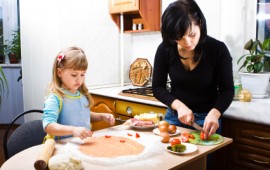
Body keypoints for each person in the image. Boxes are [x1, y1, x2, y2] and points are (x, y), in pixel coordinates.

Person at [152, 0, 234, 139]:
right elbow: (157, 87)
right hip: (175, 117)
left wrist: (215, 113)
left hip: (207, 120)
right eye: (179, 38)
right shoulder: (165, 49)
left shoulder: (217, 49)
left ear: (200, 23)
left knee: (203, 161)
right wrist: (179, 107)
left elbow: (227, 90)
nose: (187, 43)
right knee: (171, 158)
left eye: (192, 35)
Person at [42, 46, 115, 140]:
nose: (79, 79)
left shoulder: (81, 94)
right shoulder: (55, 98)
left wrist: (102, 116)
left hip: (81, 145)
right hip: (62, 148)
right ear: (59, 72)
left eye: (82, 74)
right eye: (74, 75)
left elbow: (83, 115)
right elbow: (48, 126)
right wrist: (72, 130)